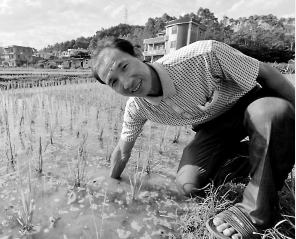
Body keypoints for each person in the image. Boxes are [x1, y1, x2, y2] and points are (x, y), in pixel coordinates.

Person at [90, 37, 295, 239]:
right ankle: (263, 155)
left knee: (272, 113)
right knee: (189, 185)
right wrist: (111, 183)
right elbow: (123, 150)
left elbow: (266, 73)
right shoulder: (137, 108)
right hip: (214, 126)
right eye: (113, 81)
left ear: (138, 54)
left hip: (252, 102)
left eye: (124, 66)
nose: (126, 83)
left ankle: (254, 213)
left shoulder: (203, 54)